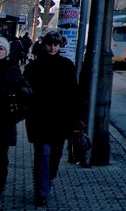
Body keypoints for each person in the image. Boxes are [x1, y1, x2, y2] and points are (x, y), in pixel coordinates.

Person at [24, 31, 81, 207]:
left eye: (56, 44)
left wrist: (78, 117)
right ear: (44, 44)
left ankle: (46, 181)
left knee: (54, 157)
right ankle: (42, 191)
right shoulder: (33, 66)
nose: (53, 47)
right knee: (42, 154)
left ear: (60, 46)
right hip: (39, 118)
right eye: (50, 44)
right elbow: (26, 91)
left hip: (60, 119)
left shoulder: (66, 66)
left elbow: (74, 93)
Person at [0, 36, 30, 196]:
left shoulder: (12, 68)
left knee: (1, 159)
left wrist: (24, 93)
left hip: (5, 121)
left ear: (6, 51)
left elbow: (23, 88)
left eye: (1, 49)